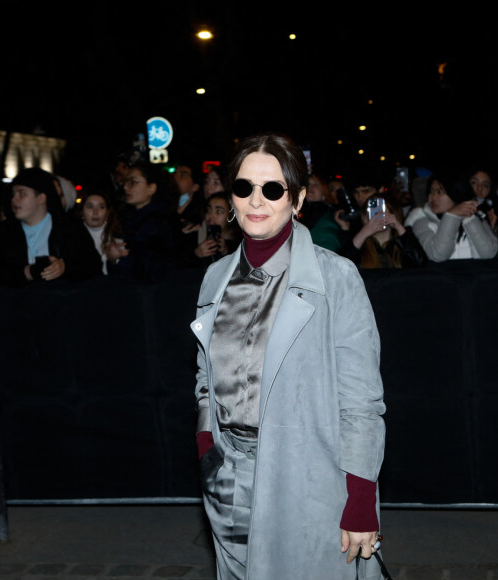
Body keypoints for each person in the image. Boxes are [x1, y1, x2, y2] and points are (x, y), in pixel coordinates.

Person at [191, 132, 386, 579]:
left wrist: (359, 500)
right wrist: (208, 444)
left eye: (273, 189)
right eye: (243, 188)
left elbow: (360, 401)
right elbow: (204, 374)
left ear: (296, 199)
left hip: (307, 479)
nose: (256, 201)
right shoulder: (214, 278)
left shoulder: (336, 278)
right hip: (226, 482)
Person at [0, 167, 97, 286]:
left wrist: (64, 266)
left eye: (22, 194)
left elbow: (92, 265)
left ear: (41, 198)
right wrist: (27, 272)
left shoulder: (69, 228)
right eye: (13, 194)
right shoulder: (3, 233)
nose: (14, 199)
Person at [404, 173, 498, 262]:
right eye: (431, 191)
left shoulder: (476, 216)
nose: (433, 197)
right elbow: (438, 255)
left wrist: (467, 218)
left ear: (455, 193)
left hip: (474, 278)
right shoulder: (421, 219)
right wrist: (451, 216)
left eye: (440, 192)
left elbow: (488, 254)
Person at [110, 160, 177, 282]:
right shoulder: (130, 217)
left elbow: (148, 265)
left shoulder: (157, 222)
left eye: (133, 182)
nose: (125, 187)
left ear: (151, 188)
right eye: (126, 181)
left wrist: (118, 259)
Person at [335, 193, 428, 268]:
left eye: (381, 212)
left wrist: (399, 227)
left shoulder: (402, 242)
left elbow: (421, 263)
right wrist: (364, 232)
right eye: (371, 213)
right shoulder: (358, 244)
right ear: (364, 218)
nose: (376, 217)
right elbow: (339, 265)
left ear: (393, 214)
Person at [73, 189, 124, 275]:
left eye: (101, 207)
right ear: (81, 212)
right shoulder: (72, 236)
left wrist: (114, 260)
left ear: (107, 212)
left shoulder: (118, 234)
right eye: (90, 207)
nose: (95, 212)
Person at [192, 192, 241, 267]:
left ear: (231, 216)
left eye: (219, 211)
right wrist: (196, 254)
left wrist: (227, 253)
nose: (210, 216)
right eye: (208, 210)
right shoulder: (195, 235)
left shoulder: (241, 244)